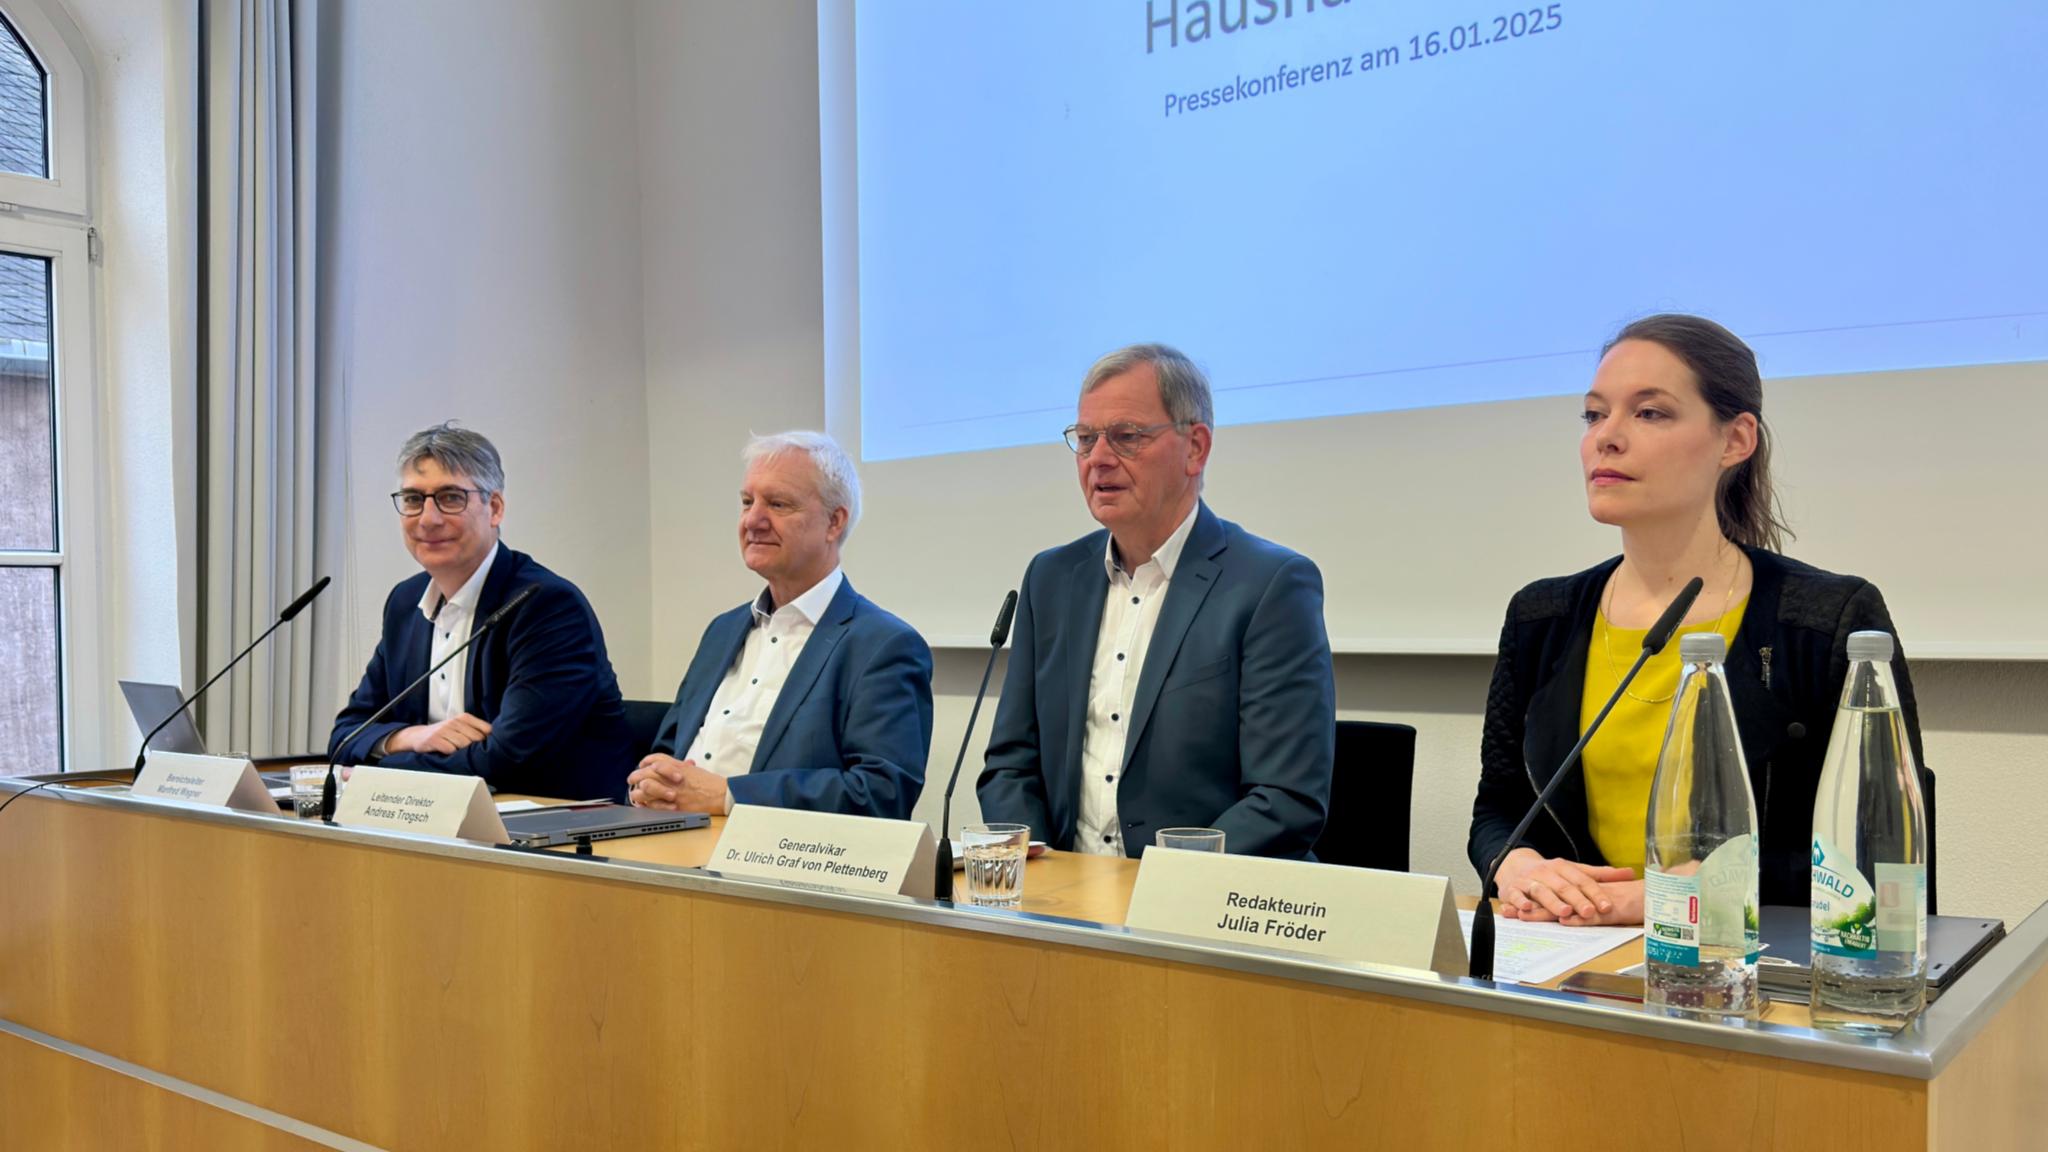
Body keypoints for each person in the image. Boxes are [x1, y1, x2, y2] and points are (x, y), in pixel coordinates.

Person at [1468, 313, 1925, 925]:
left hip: (1748, 970)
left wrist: (1673, 896)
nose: (1607, 437)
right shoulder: (1540, 616)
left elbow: (1876, 852)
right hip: (1570, 959)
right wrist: (1514, 863)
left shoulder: (1826, 620)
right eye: (1594, 414)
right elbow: (1499, 807)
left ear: (1735, 440)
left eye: (1650, 412)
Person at [977, 343, 1335, 858]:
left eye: (1126, 437)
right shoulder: (1051, 579)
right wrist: (1039, 864)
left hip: (1197, 910)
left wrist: (1156, 886)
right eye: (1084, 439)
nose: (1098, 458)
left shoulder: (1271, 584)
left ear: (1195, 448)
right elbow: (1011, 763)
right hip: (1061, 901)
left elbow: (1286, 799)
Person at [626, 431, 933, 818]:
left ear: (834, 522)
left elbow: (880, 793)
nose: (753, 520)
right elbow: (669, 752)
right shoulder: (722, 630)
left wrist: (728, 797)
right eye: (746, 502)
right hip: (670, 846)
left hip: (776, 868)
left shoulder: (883, 644)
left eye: (778, 504)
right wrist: (651, 785)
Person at [329, 423, 634, 799]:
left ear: (494, 508)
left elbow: (508, 759)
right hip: (438, 821)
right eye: (412, 499)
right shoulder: (405, 603)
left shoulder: (546, 605)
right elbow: (346, 735)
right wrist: (410, 737)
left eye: (451, 498)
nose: (428, 519)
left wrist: (372, 775)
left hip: (555, 830)